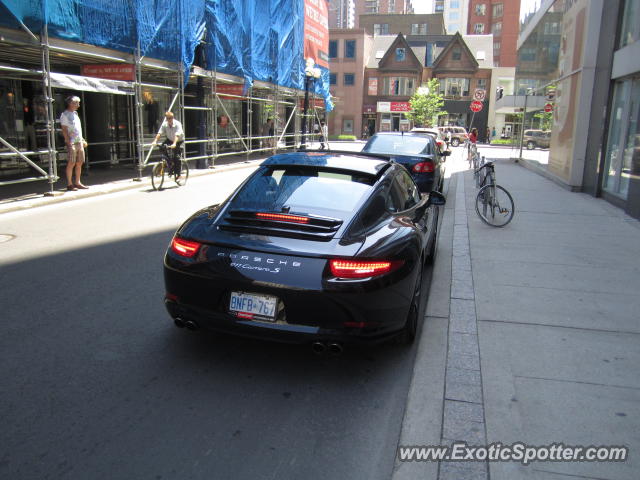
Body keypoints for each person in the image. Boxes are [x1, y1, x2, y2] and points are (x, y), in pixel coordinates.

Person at [60, 95, 88, 191]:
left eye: (78, 103)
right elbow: (64, 130)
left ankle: (77, 182)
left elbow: (77, 129)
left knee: (80, 162)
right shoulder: (65, 115)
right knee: (71, 162)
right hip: (72, 142)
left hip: (78, 141)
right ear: (70, 103)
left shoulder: (75, 114)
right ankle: (69, 183)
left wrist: (82, 139)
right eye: (76, 103)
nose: (78, 105)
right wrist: (69, 143)